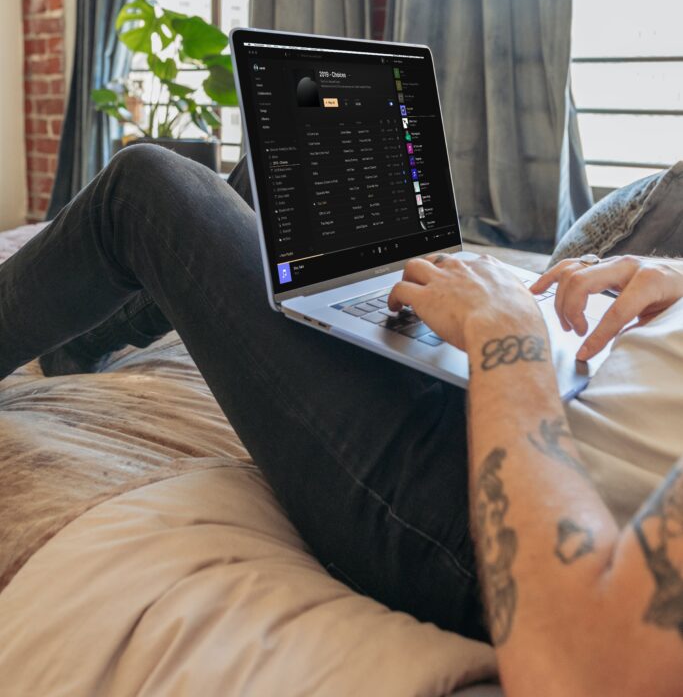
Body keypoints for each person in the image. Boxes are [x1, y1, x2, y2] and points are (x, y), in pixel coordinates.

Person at [1, 143, 681, 696]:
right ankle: (88, 331)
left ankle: (86, 323)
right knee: (272, 184)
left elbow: (587, 662)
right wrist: (670, 277)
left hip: (489, 509)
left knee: (147, 189)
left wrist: (509, 335)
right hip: (541, 390)